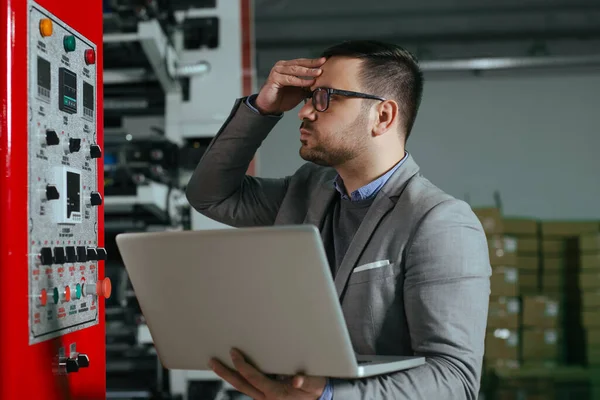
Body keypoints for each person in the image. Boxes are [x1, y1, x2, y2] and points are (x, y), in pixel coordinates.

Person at [185, 40, 491, 400]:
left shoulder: (439, 222)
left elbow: (454, 380)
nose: (304, 112)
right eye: (308, 96)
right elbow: (210, 195)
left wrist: (329, 396)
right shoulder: (307, 189)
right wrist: (263, 109)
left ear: (383, 116)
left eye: (325, 97)